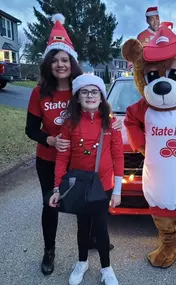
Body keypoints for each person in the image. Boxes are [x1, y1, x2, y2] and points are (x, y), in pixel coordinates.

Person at [25, 14, 121, 276]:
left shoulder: (81, 89)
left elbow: (101, 111)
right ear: (48, 64)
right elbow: (30, 129)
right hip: (49, 158)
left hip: (79, 157)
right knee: (51, 204)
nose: (60, 65)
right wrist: (50, 139)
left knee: (87, 197)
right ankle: (49, 250)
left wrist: (115, 123)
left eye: (64, 59)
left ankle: (90, 240)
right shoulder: (39, 92)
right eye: (54, 60)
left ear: (72, 62)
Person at [49, 74, 123, 285]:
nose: (90, 96)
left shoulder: (111, 123)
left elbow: (118, 156)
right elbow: (62, 157)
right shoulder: (70, 124)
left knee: (100, 226)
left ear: (101, 96)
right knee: (82, 226)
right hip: (79, 187)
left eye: (94, 92)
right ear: (77, 97)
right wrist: (57, 188)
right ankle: (82, 262)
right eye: (84, 91)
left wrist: (117, 190)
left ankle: (106, 268)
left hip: (104, 185)